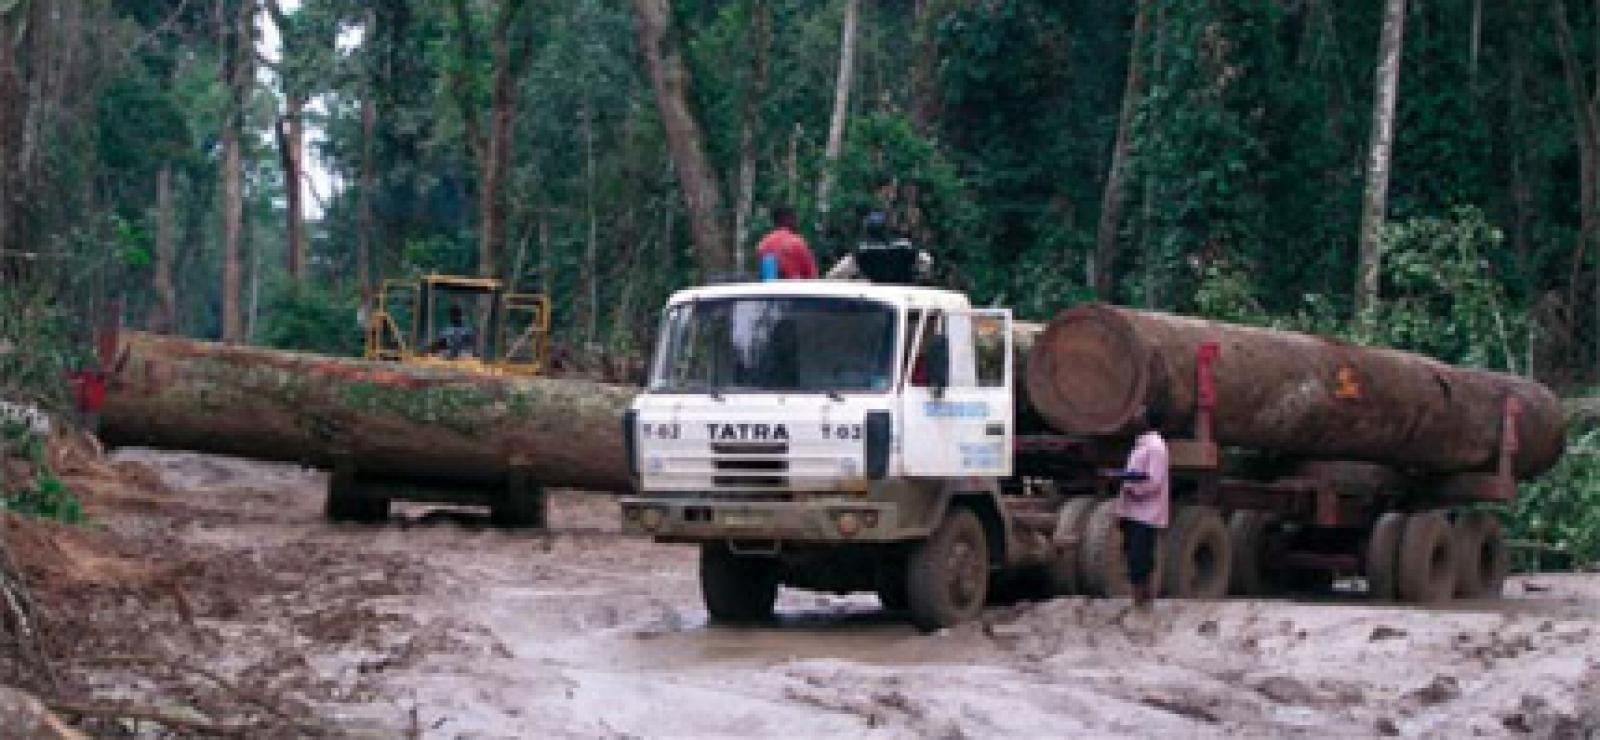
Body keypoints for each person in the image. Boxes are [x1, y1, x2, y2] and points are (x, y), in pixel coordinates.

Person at [1113, 406, 1170, 611]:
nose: (1134, 417)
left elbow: (1154, 481)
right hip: (1134, 511)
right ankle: (1140, 600)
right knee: (1133, 555)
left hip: (1147, 513)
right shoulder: (1141, 445)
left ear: (1148, 421)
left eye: (1139, 415)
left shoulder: (1156, 447)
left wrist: (1132, 488)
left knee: (1141, 557)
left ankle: (1144, 603)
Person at [826, 211, 933, 285]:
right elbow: (927, 260)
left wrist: (854, 282)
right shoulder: (904, 245)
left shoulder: (862, 251)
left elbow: (833, 275)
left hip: (878, 296)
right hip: (904, 291)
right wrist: (921, 276)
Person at [754, 206, 818, 279]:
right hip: (794, 289)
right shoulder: (797, 242)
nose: (797, 222)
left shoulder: (763, 244)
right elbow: (812, 276)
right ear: (788, 219)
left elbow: (761, 276)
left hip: (769, 289)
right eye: (795, 218)